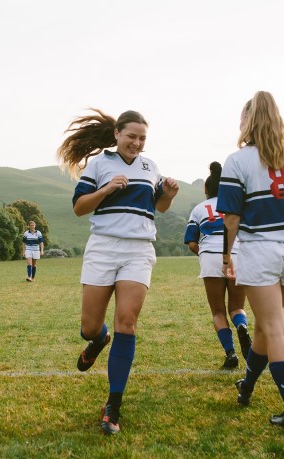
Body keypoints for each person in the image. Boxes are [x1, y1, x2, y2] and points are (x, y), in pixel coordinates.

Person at [57, 108, 179, 435]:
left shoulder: (149, 167)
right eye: (131, 137)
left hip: (139, 249)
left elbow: (159, 207)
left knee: (128, 321)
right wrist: (107, 189)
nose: (137, 143)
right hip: (103, 246)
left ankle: (113, 405)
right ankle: (99, 339)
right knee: (88, 326)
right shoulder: (99, 165)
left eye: (142, 138)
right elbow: (80, 207)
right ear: (117, 134)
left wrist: (167, 193)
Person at [218, 91, 284, 433]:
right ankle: (246, 387)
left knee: (274, 328)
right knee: (266, 325)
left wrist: (225, 255)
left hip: (261, 250)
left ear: (247, 121)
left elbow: (231, 218)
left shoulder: (238, 161)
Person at [183, 161, 251, 369]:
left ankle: (230, 353)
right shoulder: (238, 206)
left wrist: (204, 254)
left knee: (218, 312)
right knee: (237, 307)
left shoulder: (198, 209)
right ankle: (242, 327)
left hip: (211, 257)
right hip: (238, 255)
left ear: (206, 189)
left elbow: (191, 242)